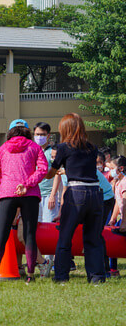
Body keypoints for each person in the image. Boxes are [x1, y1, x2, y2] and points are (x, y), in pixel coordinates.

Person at [45, 113, 105, 284]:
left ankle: (62, 277)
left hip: (76, 192)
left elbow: (52, 173)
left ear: (66, 128)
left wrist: (45, 172)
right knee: (93, 239)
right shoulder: (92, 148)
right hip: (95, 193)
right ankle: (96, 278)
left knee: (65, 237)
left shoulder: (64, 147)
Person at [0, 120, 48, 283]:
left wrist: (4, 190)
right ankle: (30, 275)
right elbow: (43, 169)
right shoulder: (35, 147)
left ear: (10, 132)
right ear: (27, 131)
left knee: (1, 234)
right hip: (30, 194)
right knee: (29, 235)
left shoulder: (2, 148)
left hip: (7, 193)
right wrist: (27, 184)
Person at [33, 122, 62, 267]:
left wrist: (52, 195)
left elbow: (57, 174)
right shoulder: (32, 150)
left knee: (49, 226)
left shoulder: (53, 152)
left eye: (42, 135)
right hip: (35, 195)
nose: (39, 137)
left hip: (49, 196)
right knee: (36, 227)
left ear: (48, 136)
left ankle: (50, 260)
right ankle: (39, 260)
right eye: (37, 134)